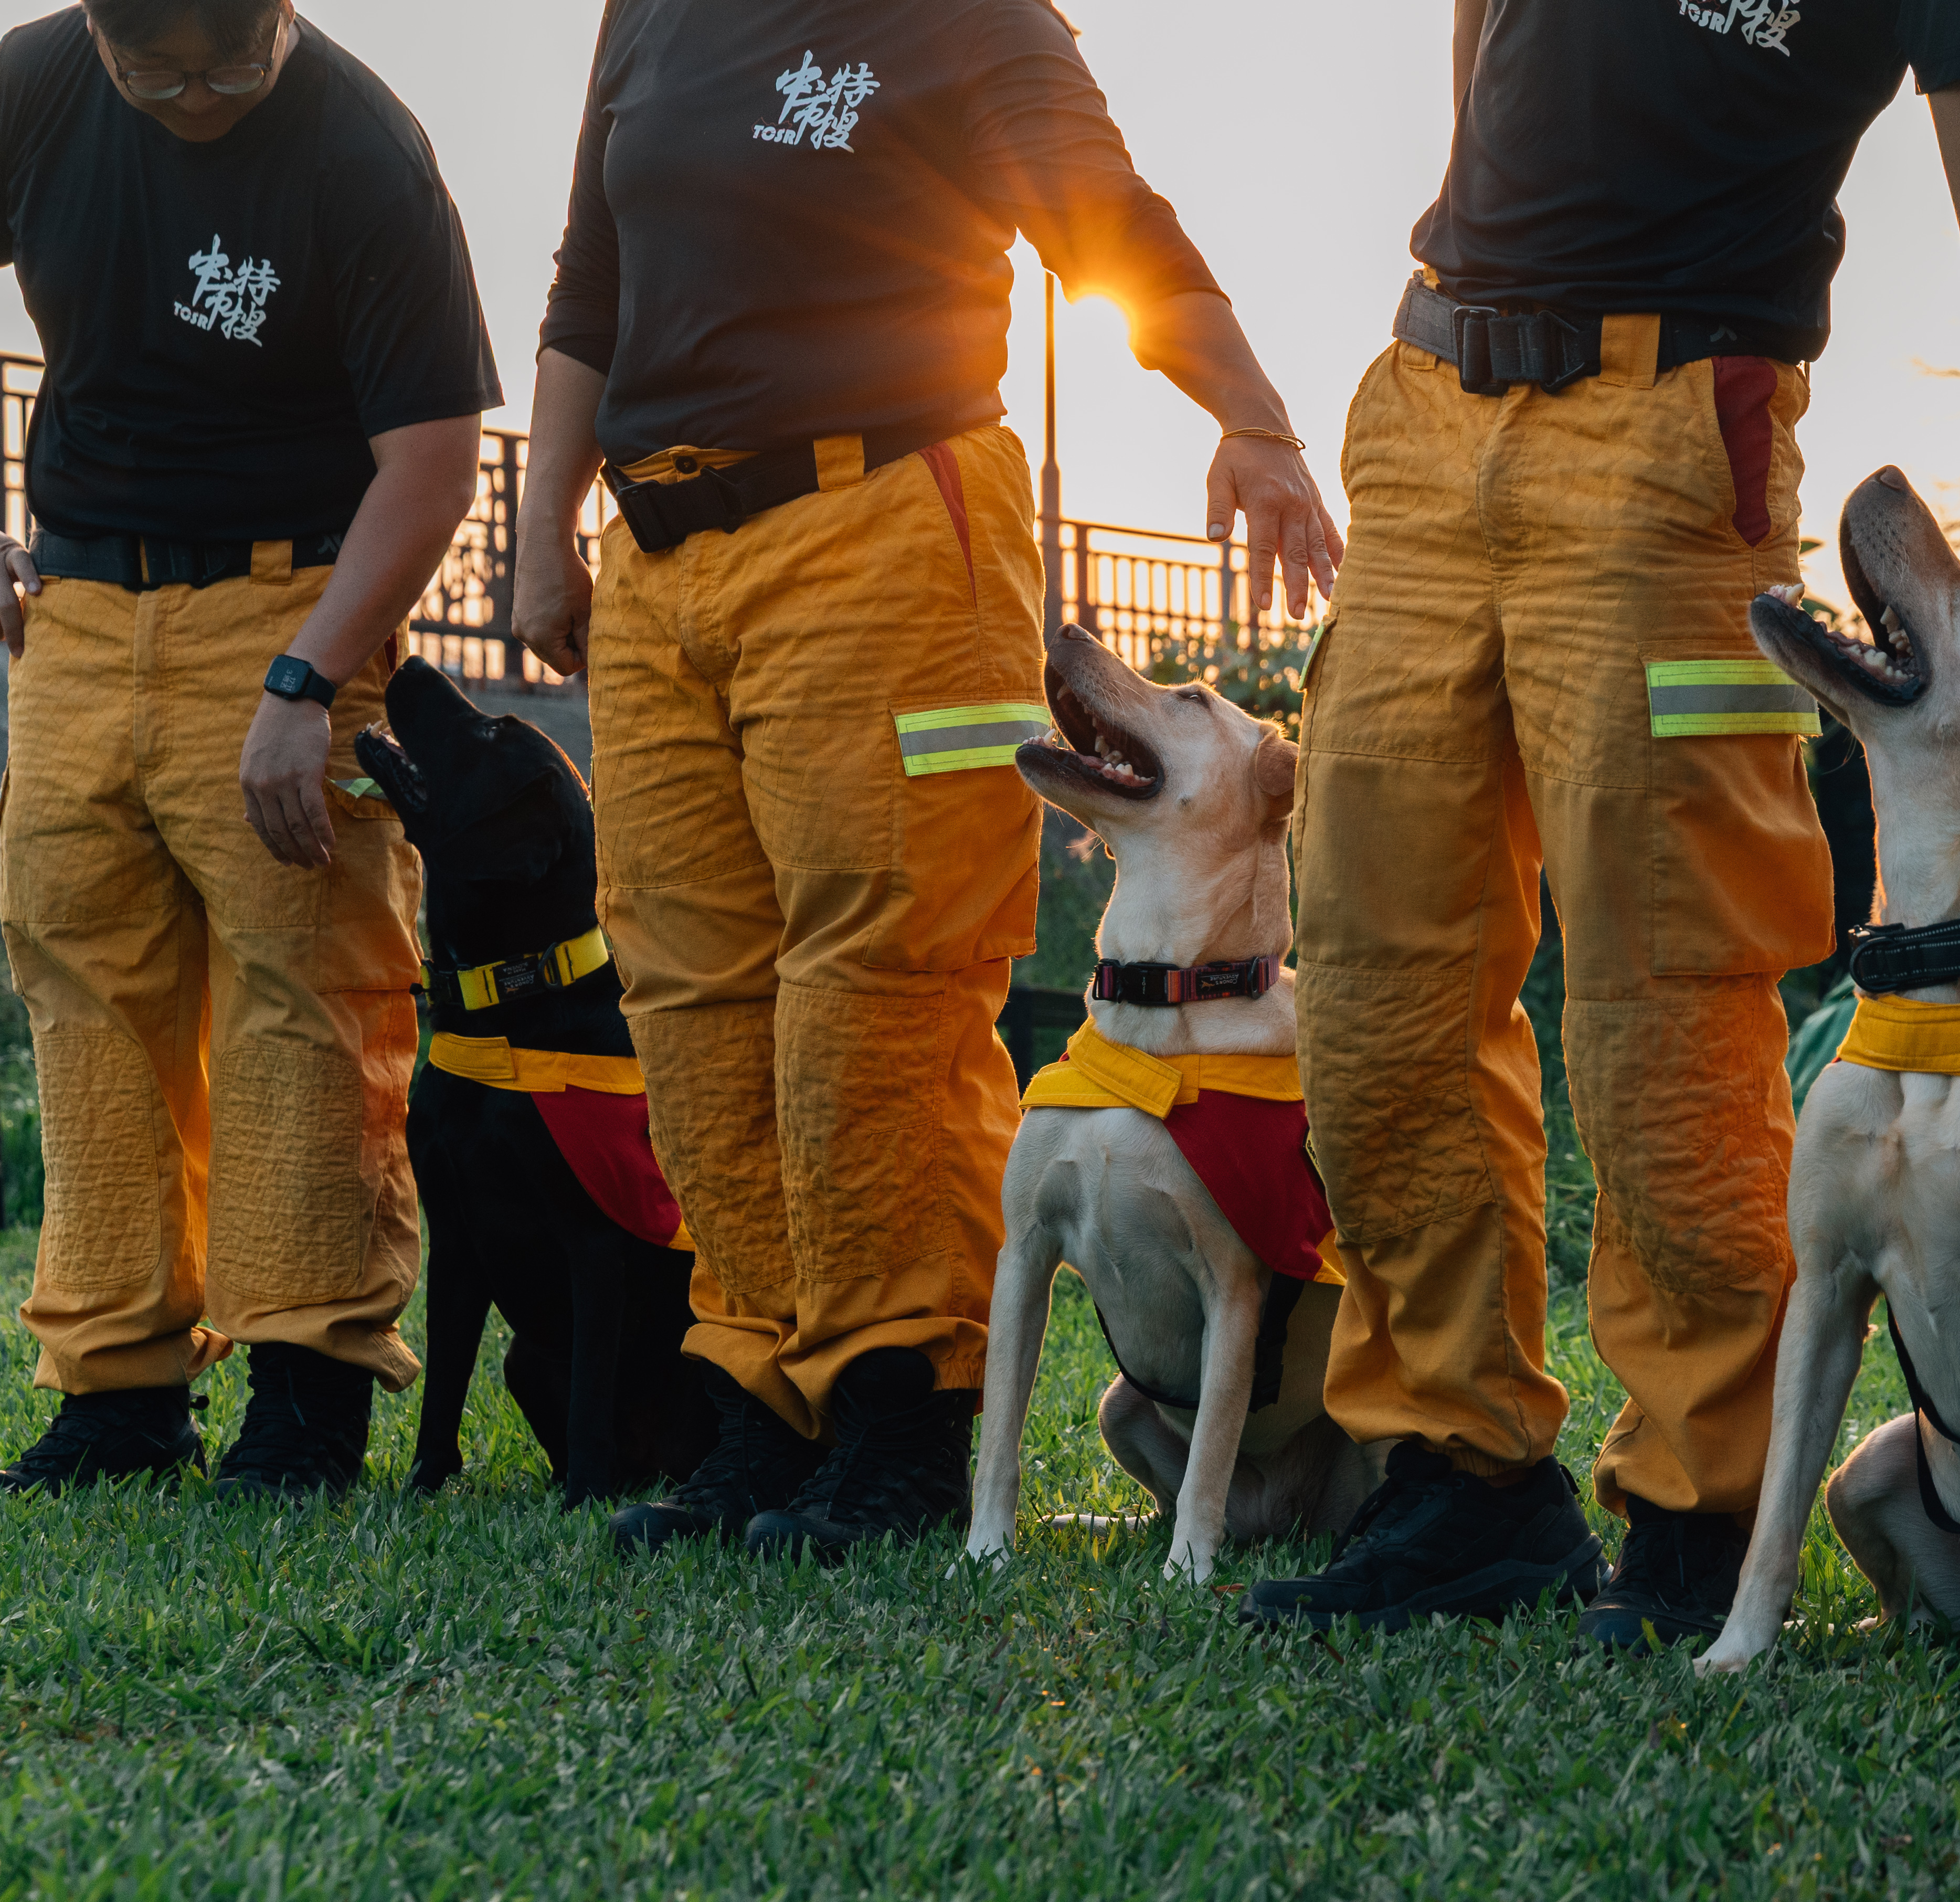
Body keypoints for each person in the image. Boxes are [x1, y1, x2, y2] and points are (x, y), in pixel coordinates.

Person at [1242, 0, 1960, 1650]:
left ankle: (1694, 1505)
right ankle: (1463, 1481)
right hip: (1428, 415)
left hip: (1670, 439)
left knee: (1664, 1010)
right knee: (1374, 992)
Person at [515, 0, 1341, 1562]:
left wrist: (1249, 414)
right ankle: (760, 1400)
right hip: (660, 558)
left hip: (886, 519)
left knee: (877, 981)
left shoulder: (966, 16)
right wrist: (553, 520)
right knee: (694, 991)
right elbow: (589, 285)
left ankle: (899, 1405)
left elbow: (1109, 216)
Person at [0, 0, 496, 1497]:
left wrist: (308, 678)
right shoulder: (29, 86)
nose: (197, 88)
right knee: (86, 981)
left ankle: (308, 1389)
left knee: (304, 990)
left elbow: (432, 461)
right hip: (78, 605)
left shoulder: (361, 147)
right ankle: (119, 1390)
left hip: (292, 596)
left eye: (232, 50)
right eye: (154, 58)